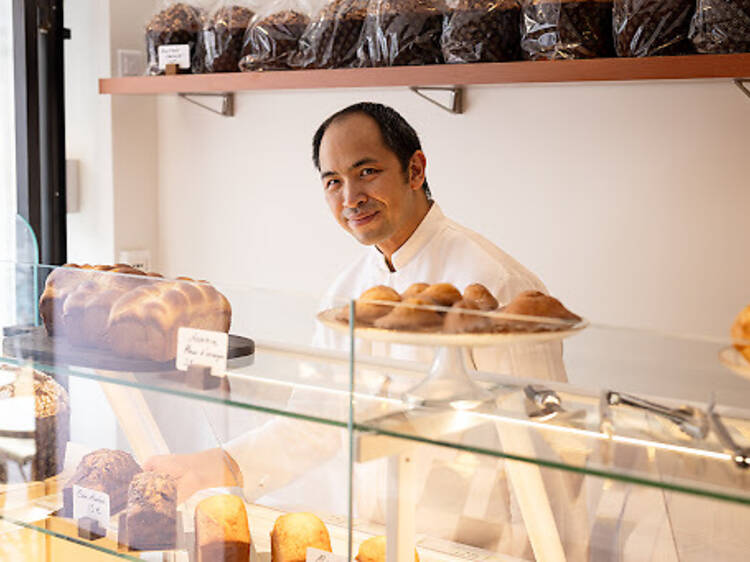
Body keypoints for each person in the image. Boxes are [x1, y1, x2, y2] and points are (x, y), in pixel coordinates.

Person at [146, 102, 587, 559]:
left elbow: (545, 455)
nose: (350, 197)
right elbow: (316, 422)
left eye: (367, 172)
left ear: (415, 169)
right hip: (372, 540)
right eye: (333, 181)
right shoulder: (347, 292)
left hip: (473, 549)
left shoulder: (496, 286)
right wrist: (215, 466)